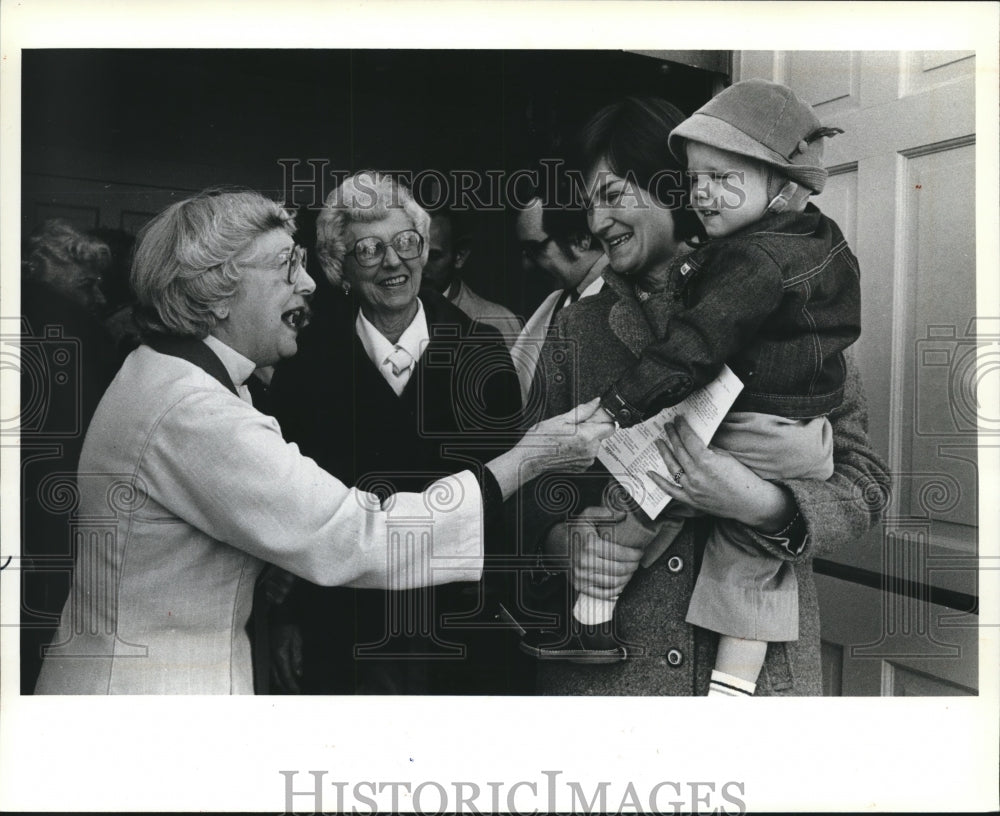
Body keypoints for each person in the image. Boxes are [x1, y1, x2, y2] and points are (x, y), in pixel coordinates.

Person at [32, 188, 615, 695]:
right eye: (287, 266)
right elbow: (355, 534)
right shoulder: (196, 411)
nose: (308, 283)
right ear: (218, 291)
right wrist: (528, 458)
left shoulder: (168, 375)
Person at [519, 96, 889, 696]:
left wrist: (765, 505)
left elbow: (864, 481)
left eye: (612, 195)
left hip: (757, 686)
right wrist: (564, 542)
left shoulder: (790, 305)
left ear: (668, 189)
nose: (594, 222)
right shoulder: (576, 331)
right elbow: (527, 486)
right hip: (612, 690)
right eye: (589, 204)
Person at [265, 172, 529, 694]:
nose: (394, 262)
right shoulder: (305, 358)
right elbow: (290, 509)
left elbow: (502, 503)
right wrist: (287, 618)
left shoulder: (480, 351)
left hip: (456, 625)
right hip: (343, 621)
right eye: (369, 249)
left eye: (408, 243)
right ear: (339, 267)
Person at [19, 220, 123, 691]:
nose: (100, 298)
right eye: (87, 285)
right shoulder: (73, 331)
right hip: (53, 530)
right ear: (39, 272)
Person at [511, 195, 608, 412]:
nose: (527, 264)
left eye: (535, 249)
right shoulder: (559, 300)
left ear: (580, 240)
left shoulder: (623, 298)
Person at [423, 208, 523, 348]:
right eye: (415, 253)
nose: (420, 266)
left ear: (460, 256)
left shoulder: (500, 322)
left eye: (433, 256)